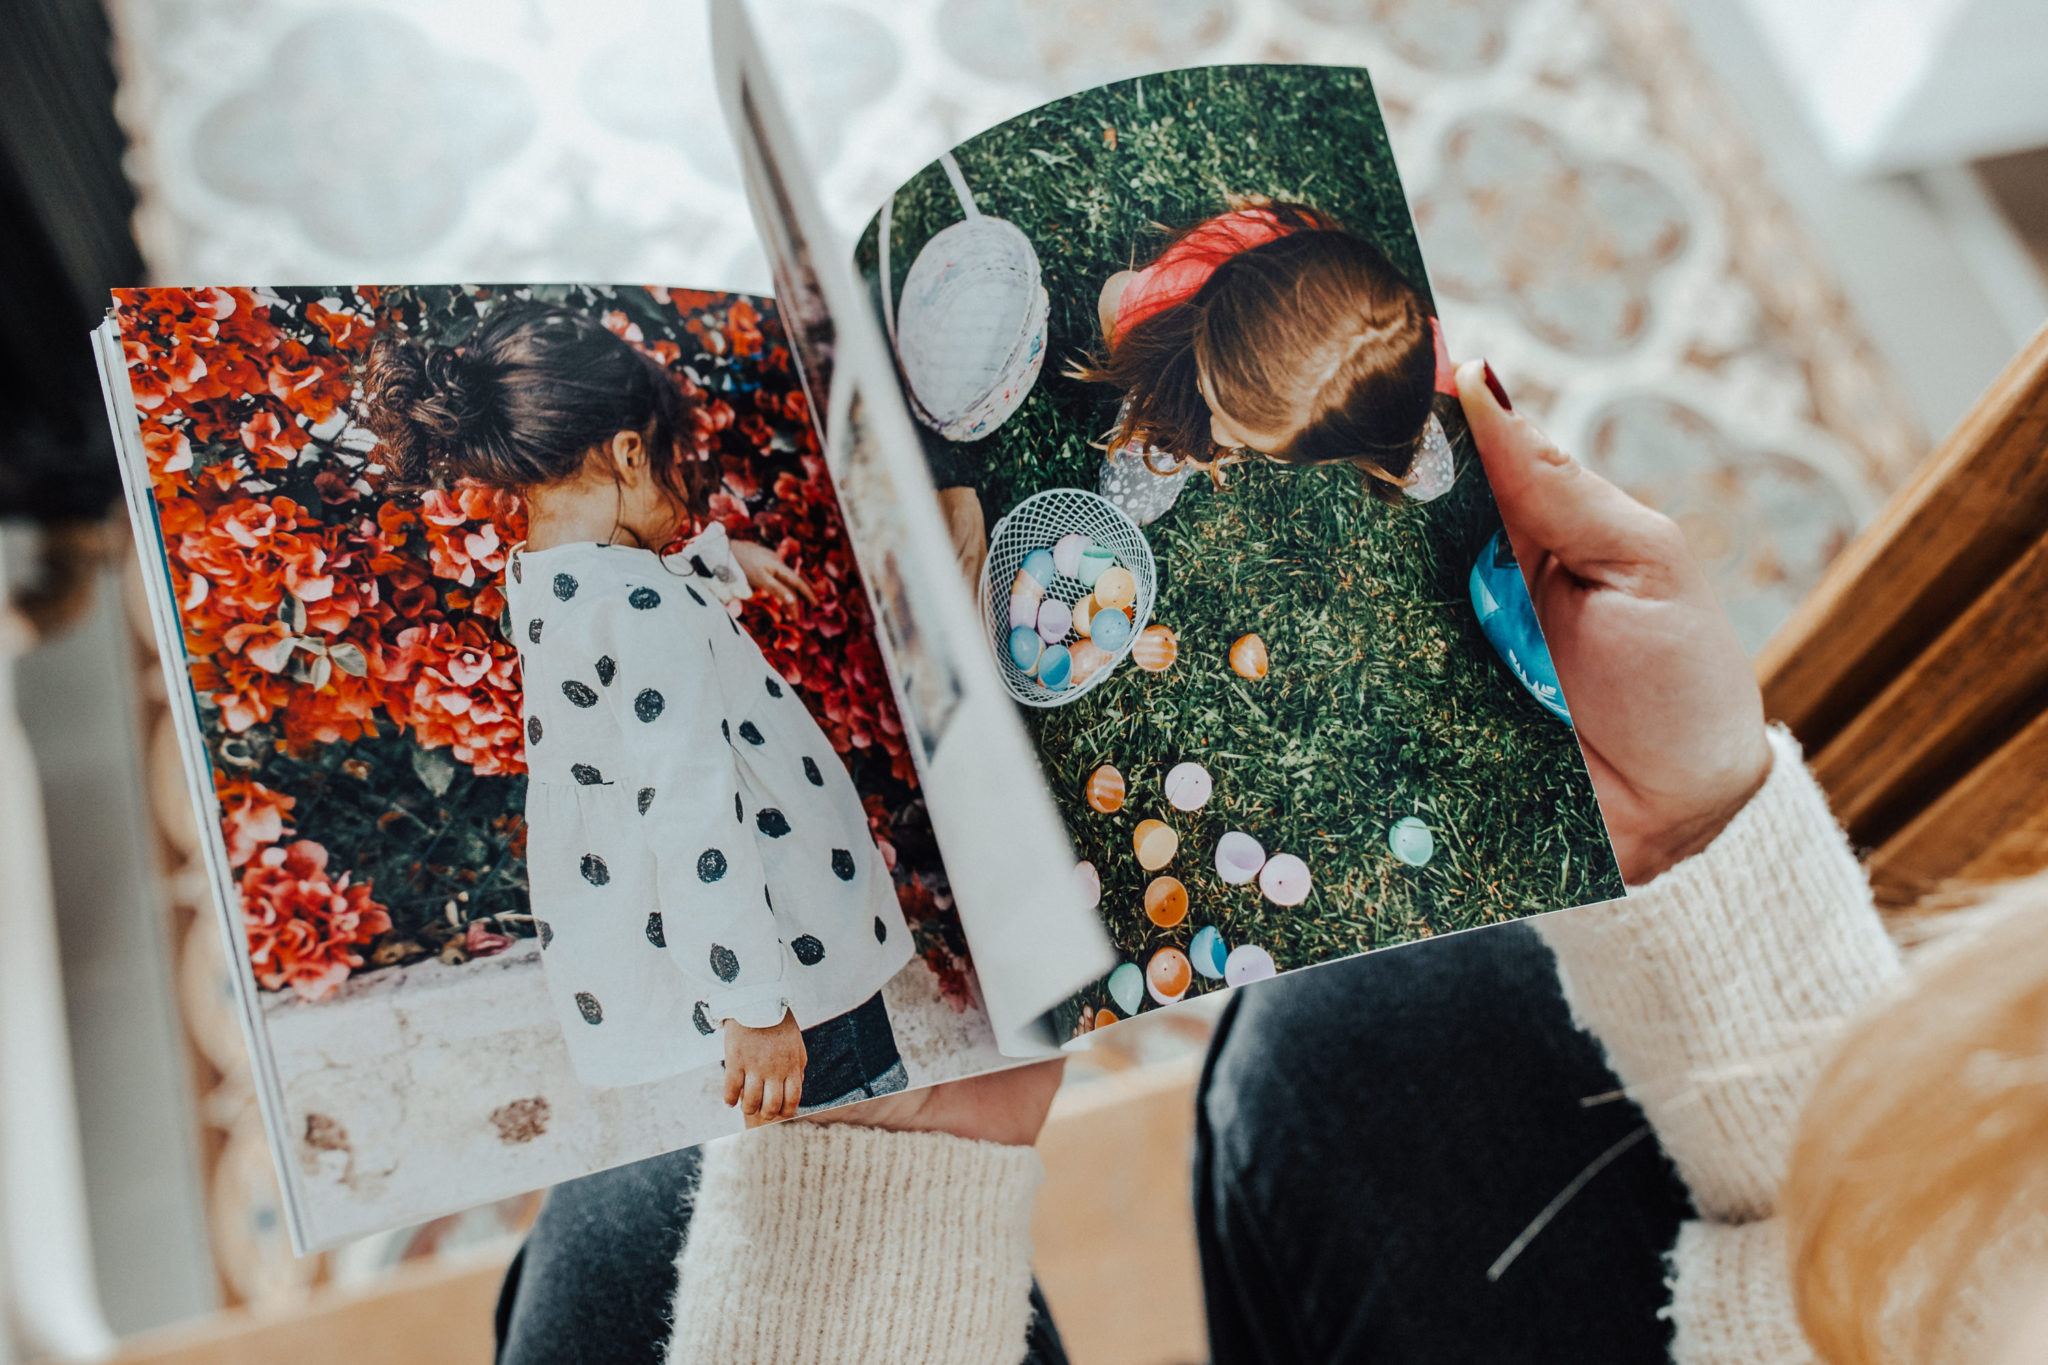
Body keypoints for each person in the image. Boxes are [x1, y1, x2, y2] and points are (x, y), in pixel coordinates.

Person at [493, 360, 2048, 1364]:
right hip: (1846, 1314)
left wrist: (860, 1238)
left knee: (644, 1234)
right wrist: (1691, 830)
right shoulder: (632, 606)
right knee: (1380, 1022)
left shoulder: (561, 597)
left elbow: (697, 822)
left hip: (782, 945)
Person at [364, 304, 914, 1125]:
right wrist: (757, 1006)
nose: (685, 488)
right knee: (871, 1126)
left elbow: (621, 632)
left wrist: (719, 563)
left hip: (696, 945)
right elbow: (694, 813)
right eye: (673, 461)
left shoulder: (544, 574)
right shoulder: (642, 603)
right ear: (628, 452)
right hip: (778, 944)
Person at [1072, 198, 1463, 524]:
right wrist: (1134, 353)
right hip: (1177, 353)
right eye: (1227, 418)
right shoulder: (1164, 303)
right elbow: (1115, 294)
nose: (1222, 440)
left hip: (1379, 372)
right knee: (1129, 504)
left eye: (1243, 439)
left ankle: (1392, 409)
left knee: (1412, 441)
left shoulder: (1414, 340)